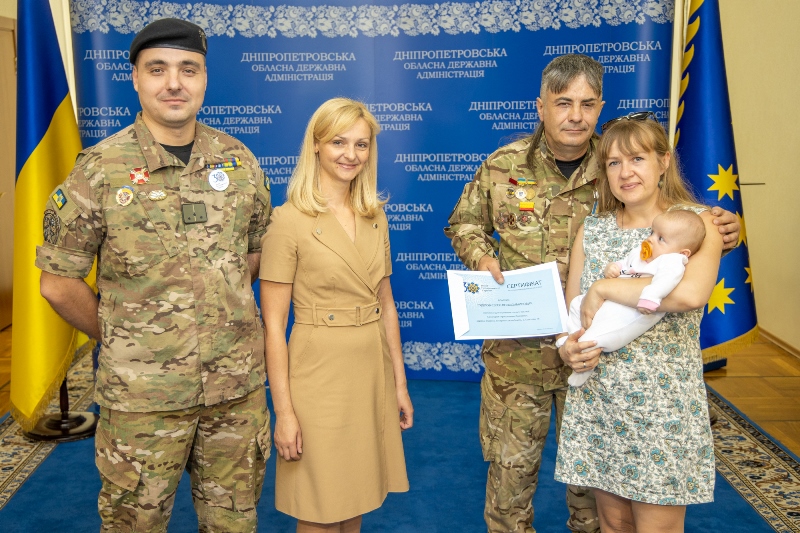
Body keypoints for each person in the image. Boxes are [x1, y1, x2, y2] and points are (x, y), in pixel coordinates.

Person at [444, 53, 740, 533]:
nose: (575, 116)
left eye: (587, 104)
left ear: (601, 106)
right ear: (540, 106)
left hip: (602, 367)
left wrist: (726, 227)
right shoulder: (503, 166)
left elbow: (680, 225)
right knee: (509, 488)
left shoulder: (618, 159)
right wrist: (481, 257)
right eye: (563, 103)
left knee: (594, 507)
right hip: (520, 355)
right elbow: (463, 223)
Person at [36, 18, 272, 532]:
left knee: (235, 525)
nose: (174, 83)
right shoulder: (99, 170)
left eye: (188, 69)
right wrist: (124, 335)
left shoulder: (239, 162)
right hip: (142, 401)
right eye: (158, 69)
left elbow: (253, 255)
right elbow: (57, 282)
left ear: (204, 78)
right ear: (136, 79)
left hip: (234, 393)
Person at [554, 115, 721, 532]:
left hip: (663, 406)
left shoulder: (699, 224)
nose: (625, 172)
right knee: (613, 524)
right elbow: (571, 310)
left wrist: (605, 289)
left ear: (663, 162)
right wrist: (568, 348)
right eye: (613, 162)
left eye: (637, 159)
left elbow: (688, 295)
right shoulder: (592, 230)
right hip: (600, 401)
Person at [260, 97, 412, 533]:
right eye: (339, 142)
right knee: (321, 505)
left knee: (356, 496)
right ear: (316, 145)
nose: (351, 154)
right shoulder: (287, 221)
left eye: (361, 145)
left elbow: (386, 304)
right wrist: (284, 412)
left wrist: (399, 384)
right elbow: (274, 327)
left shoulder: (375, 215)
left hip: (369, 371)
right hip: (317, 375)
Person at [565, 209, 706, 387]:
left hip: (635, 311)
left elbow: (666, 282)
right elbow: (628, 264)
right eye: (652, 233)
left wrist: (651, 297)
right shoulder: (644, 252)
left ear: (683, 253)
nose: (650, 239)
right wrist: (614, 267)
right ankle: (571, 337)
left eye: (661, 238)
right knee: (577, 304)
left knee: (598, 335)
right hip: (610, 301)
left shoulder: (672, 261)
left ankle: (583, 369)